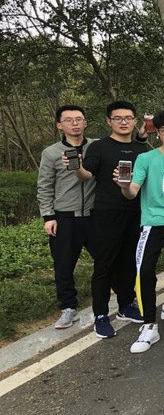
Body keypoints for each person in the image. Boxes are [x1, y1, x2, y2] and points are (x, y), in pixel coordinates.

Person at [68, 101, 148, 339]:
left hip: (136, 213)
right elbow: (86, 175)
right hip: (106, 214)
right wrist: (76, 167)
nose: (123, 122)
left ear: (135, 121)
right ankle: (101, 315)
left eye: (128, 118)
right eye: (118, 118)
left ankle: (125, 305)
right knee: (104, 265)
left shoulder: (142, 149)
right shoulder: (100, 147)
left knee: (129, 263)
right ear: (109, 121)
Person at [115, 110, 164, 354]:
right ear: (157, 132)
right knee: (145, 271)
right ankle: (149, 324)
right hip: (154, 222)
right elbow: (132, 192)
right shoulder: (146, 158)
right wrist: (124, 186)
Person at [37, 105, 96, 329]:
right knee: (63, 265)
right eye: (69, 120)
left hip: (94, 216)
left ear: (85, 122)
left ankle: (122, 299)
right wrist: (48, 216)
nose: (75, 123)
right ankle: (68, 307)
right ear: (59, 126)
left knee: (107, 260)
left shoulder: (96, 147)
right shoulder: (51, 152)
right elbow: (44, 186)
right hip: (64, 218)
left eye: (79, 119)